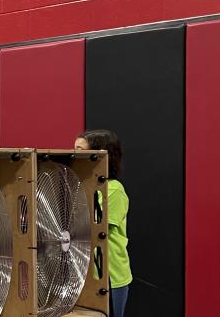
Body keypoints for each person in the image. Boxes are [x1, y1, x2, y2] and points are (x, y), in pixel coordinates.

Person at [74, 129, 132, 317]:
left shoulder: (114, 190)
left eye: (81, 150)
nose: (74, 155)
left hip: (110, 275)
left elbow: (96, 228)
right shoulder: (81, 187)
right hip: (87, 272)